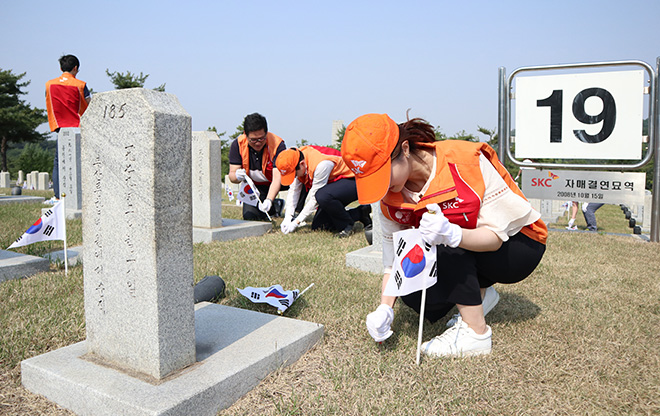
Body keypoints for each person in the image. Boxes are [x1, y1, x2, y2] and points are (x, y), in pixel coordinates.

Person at [341, 114, 547, 357]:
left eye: (383, 175)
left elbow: (494, 239)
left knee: (442, 240)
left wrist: (452, 233)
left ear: (405, 149)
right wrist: (385, 309)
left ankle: (475, 334)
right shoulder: (389, 200)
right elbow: (393, 263)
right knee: (415, 297)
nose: (382, 188)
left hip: (516, 245)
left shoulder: (466, 161)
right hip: (466, 249)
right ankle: (480, 296)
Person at [276, 146, 372, 237]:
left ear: (302, 164)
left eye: (294, 174)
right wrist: (288, 218)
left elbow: (314, 199)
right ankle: (361, 213)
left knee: (322, 196)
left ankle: (346, 225)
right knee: (319, 226)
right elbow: (294, 191)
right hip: (335, 186)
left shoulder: (321, 164)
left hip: (355, 181)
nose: (295, 177)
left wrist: (296, 222)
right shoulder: (295, 158)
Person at [45, 54, 91, 203]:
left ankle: (58, 196)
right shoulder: (80, 85)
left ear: (60, 68)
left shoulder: (49, 84)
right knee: (80, 162)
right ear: (75, 68)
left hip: (60, 127)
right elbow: (89, 105)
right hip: (77, 126)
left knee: (60, 163)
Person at [228, 113, 286, 221]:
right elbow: (232, 176)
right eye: (253, 140)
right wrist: (237, 175)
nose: (258, 143)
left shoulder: (277, 145)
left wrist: (269, 200)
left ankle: (272, 202)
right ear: (245, 134)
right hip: (254, 186)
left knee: (266, 206)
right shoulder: (238, 145)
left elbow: (277, 178)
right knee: (250, 217)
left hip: (273, 182)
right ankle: (275, 206)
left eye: (261, 139)